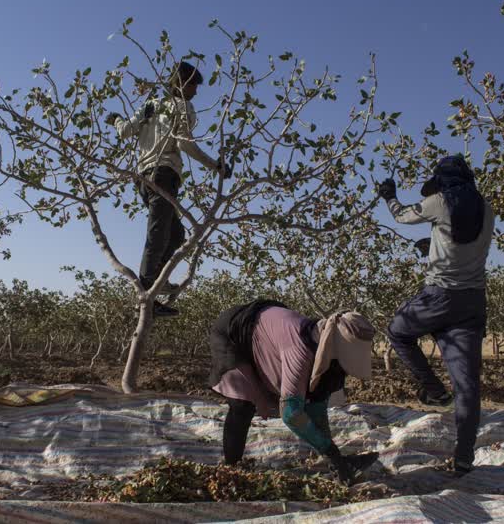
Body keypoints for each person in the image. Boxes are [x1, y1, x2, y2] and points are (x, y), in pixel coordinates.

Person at [378, 154, 494, 476]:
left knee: (398, 331)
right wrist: (432, 244)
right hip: (472, 304)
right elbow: (466, 245)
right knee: (468, 386)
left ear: (440, 181)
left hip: (438, 297)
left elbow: (401, 215)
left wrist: (389, 195)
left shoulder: (438, 201)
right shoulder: (486, 208)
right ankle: (464, 458)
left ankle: (434, 390)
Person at [106, 62, 230, 318]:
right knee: (159, 235)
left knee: (175, 234)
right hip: (163, 174)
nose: (196, 91)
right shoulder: (184, 107)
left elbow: (125, 131)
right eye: (194, 85)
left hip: (143, 178)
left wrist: (116, 119)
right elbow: (184, 144)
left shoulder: (150, 105)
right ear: (184, 83)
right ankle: (146, 297)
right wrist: (215, 165)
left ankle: (157, 283)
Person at [209, 300, 380, 485]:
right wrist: (333, 453)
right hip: (234, 331)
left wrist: (333, 457)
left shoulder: (328, 355)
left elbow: (317, 404)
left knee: (318, 387)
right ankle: (231, 470)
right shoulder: (300, 350)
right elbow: (291, 414)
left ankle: (336, 462)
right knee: (243, 405)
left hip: (265, 332)